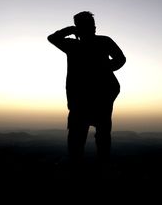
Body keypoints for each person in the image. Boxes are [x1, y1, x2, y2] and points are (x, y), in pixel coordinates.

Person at [47, 11, 126, 169]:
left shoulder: (90, 43)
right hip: (84, 96)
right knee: (83, 135)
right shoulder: (74, 45)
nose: (93, 28)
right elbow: (52, 38)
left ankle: (97, 167)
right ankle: (87, 167)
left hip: (97, 95)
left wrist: (105, 68)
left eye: (92, 25)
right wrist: (71, 30)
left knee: (97, 134)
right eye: (89, 25)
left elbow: (120, 59)